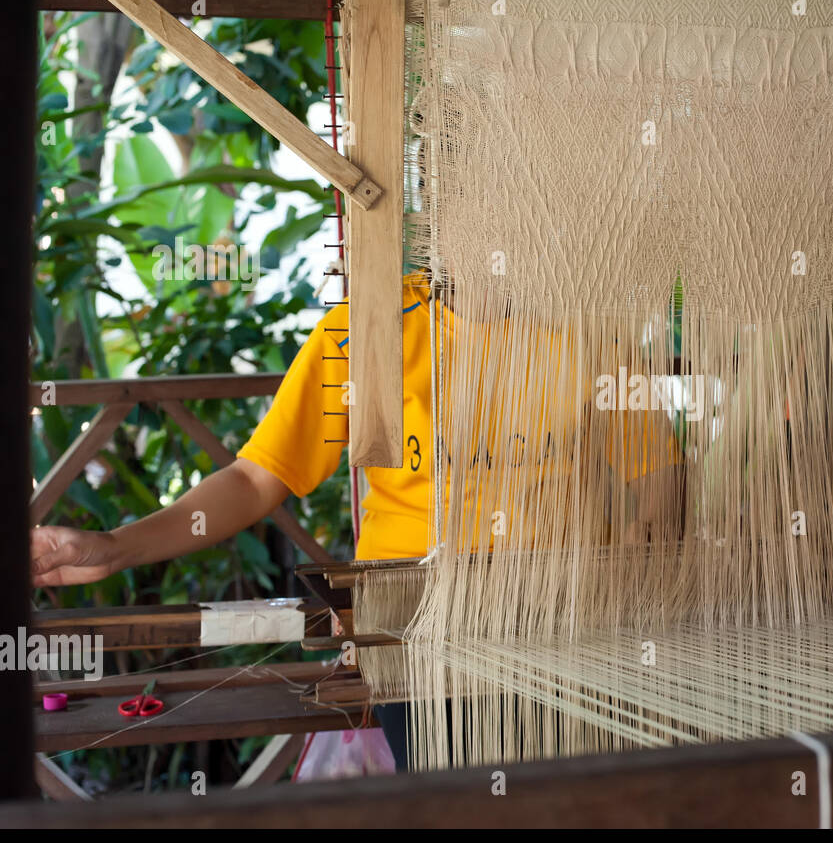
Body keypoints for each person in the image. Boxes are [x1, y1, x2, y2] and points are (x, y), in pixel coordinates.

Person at [31, 271, 684, 769]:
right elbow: (257, 477)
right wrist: (115, 547)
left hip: (568, 628)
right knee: (462, 804)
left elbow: (659, 475)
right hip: (416, 633)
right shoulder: (368, 330)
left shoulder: (588, 331)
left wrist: (640, 542)